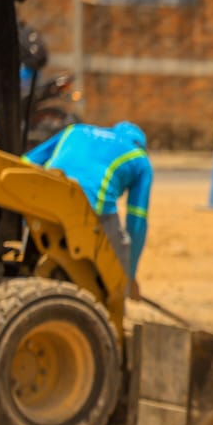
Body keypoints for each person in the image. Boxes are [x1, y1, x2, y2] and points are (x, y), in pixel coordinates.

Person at [23, 121, 152, 298]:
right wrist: (128, 276)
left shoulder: (75, 130)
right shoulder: (140, 159)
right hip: (93, 209)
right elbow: (137, 221)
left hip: (43, 201)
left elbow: (26, 162)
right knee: (113, 272)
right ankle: (112, 313)